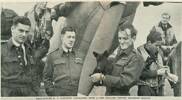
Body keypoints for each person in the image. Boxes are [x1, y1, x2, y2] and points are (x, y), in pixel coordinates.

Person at [91, 24, 144, 96]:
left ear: (133, 38)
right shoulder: (118, 53)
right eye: (120, 38)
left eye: (125, 38)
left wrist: (102, 77)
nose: (121, 42)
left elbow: (125, 82)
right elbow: (112, 75)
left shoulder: (136, 57)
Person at [1, 16, 39, 96]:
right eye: (21, 31)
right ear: (12, 29)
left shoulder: (30, 50)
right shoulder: (2, 50)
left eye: (26, 32)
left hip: (29, 94)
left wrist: (38, 94)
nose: (24, 34)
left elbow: (34, 76)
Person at [43, 27, 83, 96]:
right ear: (62, 37)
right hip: (59, 95)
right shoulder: (52, 56)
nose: (71, 40)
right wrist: (52, 93)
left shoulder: (80, 56)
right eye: (69, 37)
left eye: (73, 37)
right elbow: (47, 78)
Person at [137, 31, 169, 96]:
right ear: (149, 43)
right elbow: (139, 73)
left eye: (159, 46)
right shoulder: (139, 52)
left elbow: (160, 68)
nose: (158, 48)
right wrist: (157, 72)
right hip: (145, 89)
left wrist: (164, 70)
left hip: (158, 88)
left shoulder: (159, 52)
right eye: (156, 45)